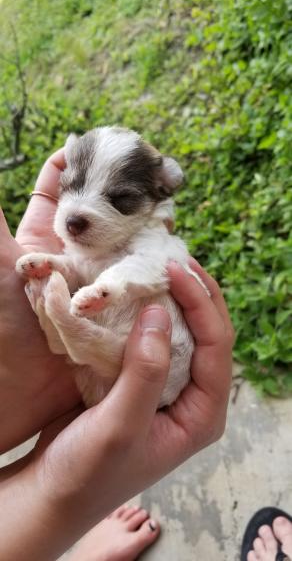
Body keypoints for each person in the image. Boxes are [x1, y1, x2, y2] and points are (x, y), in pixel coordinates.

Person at [0, 149, 234, 560]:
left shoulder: (150, 239)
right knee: (74, 330)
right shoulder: (91, 244)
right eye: (72, 186)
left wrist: (111, 284)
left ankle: (66, 327)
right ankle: (64, 327)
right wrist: (58, 264)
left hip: (142, 362)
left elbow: (153, 266)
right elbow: (75, 267)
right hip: (101, 368)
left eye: (118, 198)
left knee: (89, 334)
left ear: (158, 194)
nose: (77, 210)